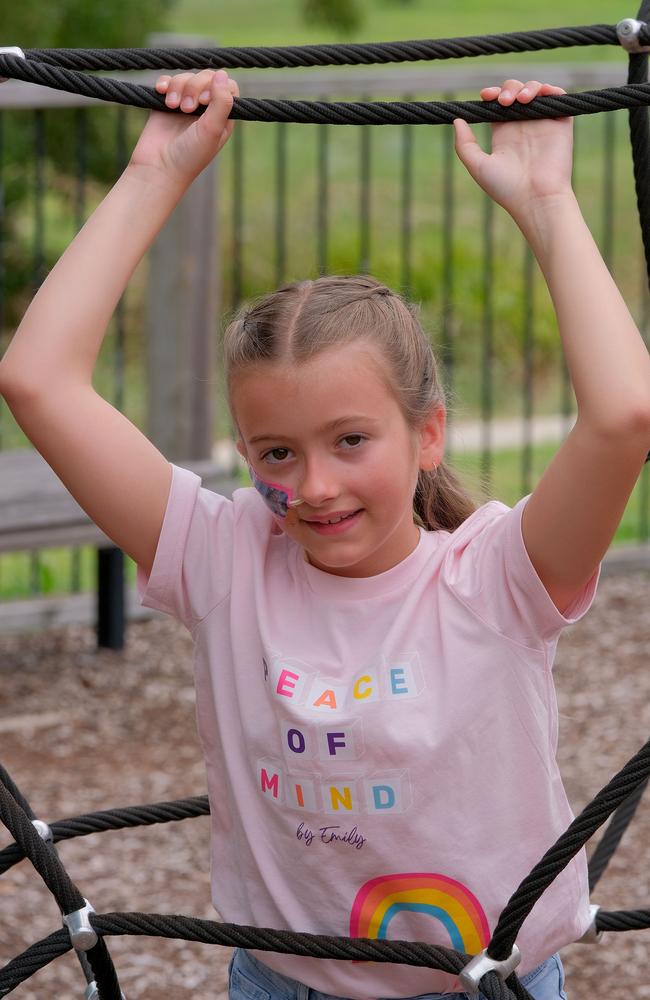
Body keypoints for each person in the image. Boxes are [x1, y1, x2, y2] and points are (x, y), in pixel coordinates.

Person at [1, 67, 649, 1000]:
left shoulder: (496, 578)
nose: (313, 487)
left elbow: (625, 416)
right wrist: (155, 172)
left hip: (475, 983)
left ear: (428, 433)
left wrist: (548, 203)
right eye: (276, 452)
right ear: (245, 451)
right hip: (280, 982)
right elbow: (38, 381)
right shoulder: (224, 559)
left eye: (351, 441)